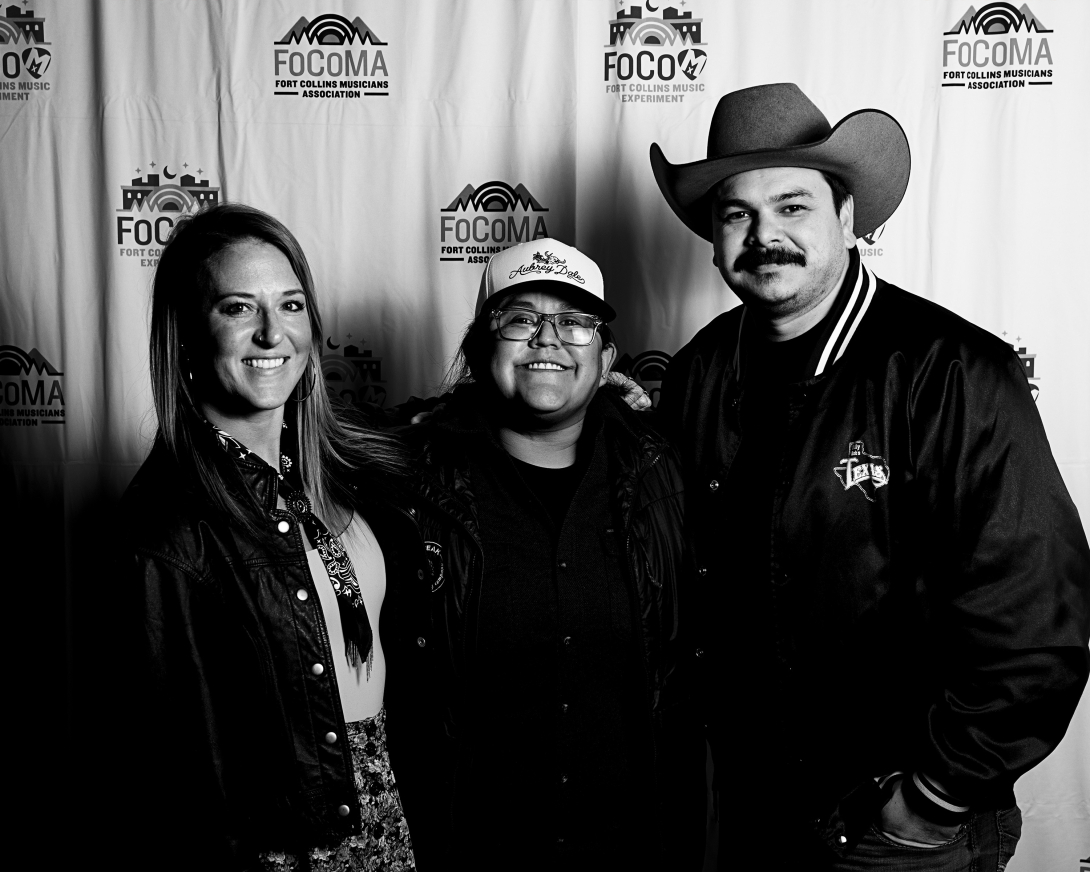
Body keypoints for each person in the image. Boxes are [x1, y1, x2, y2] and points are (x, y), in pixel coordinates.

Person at [649, 83, 1090, 869]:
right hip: (745, 811)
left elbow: (1039, 621)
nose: (764, 236)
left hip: (895, 831)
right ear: (713, 237)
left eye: (792, 206)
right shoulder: (699, 374)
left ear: (849, 220)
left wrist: (933, 798)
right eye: (737, 214)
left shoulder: (952, 372)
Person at [118, 204, 422, 871]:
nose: (270, 333)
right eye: (236, 308)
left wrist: (603, 397)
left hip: (382, 818)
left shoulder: (340, 476)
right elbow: (164, 764)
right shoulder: (165, 527)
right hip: (277, 846)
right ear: (188, 337)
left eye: (290, 305)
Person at [386, 239, 706, 871]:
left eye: (574, 322)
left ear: (607, 356)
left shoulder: (660, 475)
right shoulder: (408, 484)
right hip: (470, 846)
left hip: (630, 847)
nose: (547, 340)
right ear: (480, 348)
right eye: (521, 320)